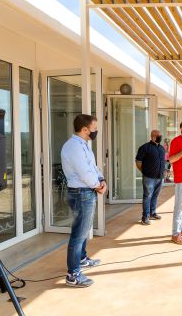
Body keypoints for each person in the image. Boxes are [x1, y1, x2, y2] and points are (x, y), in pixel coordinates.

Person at [61, 114, 107, 287]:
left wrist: (101, 180)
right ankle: (73, 274)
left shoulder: (83, 145)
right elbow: (83, 172)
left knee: (83, 229)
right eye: (94, 128)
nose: (95, 131)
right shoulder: (73, 147)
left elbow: (93, 168)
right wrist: (97, 185)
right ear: (85, 129)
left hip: (87, 190)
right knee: (78, 234)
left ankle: (81, 259)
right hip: (81, 192)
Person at [135, 130, 166, 225]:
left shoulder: (161, 148)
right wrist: (144, 171)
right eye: (158, 135)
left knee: (155, 196)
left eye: (161, 135)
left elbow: (163, 161)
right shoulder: (145, 148)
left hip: (160, 177)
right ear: (153, 136)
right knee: (147, 196)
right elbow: (138, 162)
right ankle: (145, 217)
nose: (160, 137)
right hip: (149, 177)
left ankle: (152, 213)